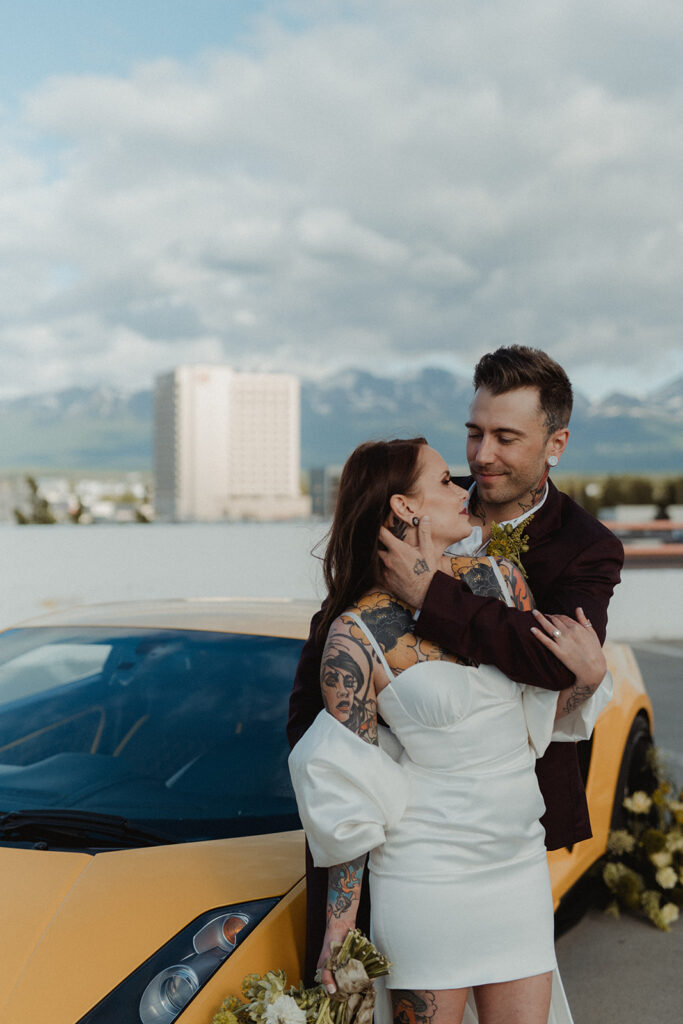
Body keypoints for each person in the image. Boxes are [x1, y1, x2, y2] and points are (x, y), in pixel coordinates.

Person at [287, 346, 623, 984]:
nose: (481, 457)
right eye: (474, 433)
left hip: (507, 830)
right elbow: (340, 633)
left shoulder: (587, 548)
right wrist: (335, 770)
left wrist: (429, 595)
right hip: (403, 838)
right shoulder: (425, 499)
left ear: (556, 443)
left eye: (506, 437)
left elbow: (551, 662)